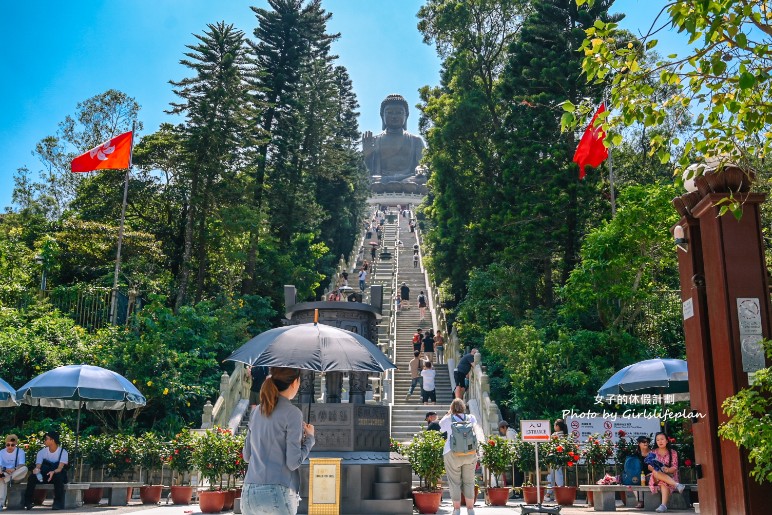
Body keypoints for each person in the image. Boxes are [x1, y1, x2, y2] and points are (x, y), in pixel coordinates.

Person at [241, 367, 315, 515]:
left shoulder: (256, 412)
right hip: (277, 492)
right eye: (299, 382)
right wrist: (310, 439)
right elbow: (293, 462)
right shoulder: (293, 413)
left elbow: (247, 456)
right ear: (294, 383)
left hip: (249, 492)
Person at [362, 94, 425, 184]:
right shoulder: (375, 141)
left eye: (399, 112)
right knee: (365, 181)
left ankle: (401, 184)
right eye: (389, 112)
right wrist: (367, 155)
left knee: (422, 180)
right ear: (382, 115)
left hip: (409, 179)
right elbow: (367, 171)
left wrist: (420, 170)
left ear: (406, 116)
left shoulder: (416, 140)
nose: (394, 116)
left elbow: (422, 165)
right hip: (381, 180)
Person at [439, 399, 481, 515]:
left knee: (454, 482)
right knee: (469, 481)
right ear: (464, 407)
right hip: (470, 453)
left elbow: (441, 427)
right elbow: (475, 428)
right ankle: (470, 509)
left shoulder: (448, 419)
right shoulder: (471, 418)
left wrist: (448, 413)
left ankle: (457, 509)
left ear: (452, 408)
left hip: (452, 452)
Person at [24, 431, 68, 510]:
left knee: (59, 477)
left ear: (52, 440)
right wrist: (36, 470)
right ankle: (28, 502)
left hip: (56, 474)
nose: (44, 441)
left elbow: (60, 468)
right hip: (44, 475)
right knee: (32, 477)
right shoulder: (41, 452)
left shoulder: (63, 452)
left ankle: (58, 503)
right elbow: (38, 466)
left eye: (46, 439)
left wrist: (53, 472)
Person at [647, 432, 685, 513]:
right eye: (657, 440)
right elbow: (649, 467)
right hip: (655, 476)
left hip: (670, 475)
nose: (660, 441)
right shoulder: (653, 452)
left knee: (663, 482)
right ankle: (677, 485)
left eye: (662, 439)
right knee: (656, 472)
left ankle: (663, 506)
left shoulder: (673, 452)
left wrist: (667, 470)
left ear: (667, 440)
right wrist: (652, 467)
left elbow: (675, 467)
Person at [0, 434, 28, 509]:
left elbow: (22, 464)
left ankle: (5, 479)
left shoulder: (20, 452)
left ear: (15, 444)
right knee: (1, 478)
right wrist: (5, 470)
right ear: (5, 444)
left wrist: (14, 469)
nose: (10, 447)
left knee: (25, 469)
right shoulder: (1, 452)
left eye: (12, 445)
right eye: (8, 444)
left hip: (16, 475)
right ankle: (0, 504)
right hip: (5, 473)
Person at [545, 419, 568, 502]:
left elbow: (549, 445)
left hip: (554, 457)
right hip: (560, 458)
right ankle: (555, 494)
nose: (554, 427)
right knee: (557, 474)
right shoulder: (565, 435)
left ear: (557, 426)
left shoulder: (555, 435)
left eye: (555, 425)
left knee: (553, 475)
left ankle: (551, 494)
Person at [633, 436, 652, 509]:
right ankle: (640, 501)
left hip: (650, 475)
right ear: (639, 443)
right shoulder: (636, 454)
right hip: (639, 475)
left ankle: (641, 501)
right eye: (643, 442)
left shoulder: (652, 453)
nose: (646, 443)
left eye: (647, 442)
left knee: (643, 479)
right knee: (634, 480)